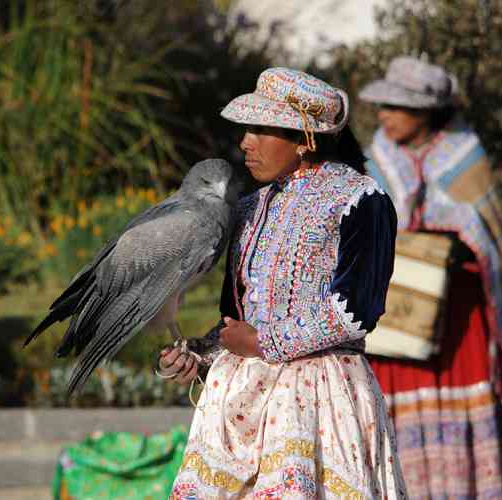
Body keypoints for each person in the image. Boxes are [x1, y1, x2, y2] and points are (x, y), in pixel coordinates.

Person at [157, 67, 407, 499]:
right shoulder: (248, 208)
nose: (245, 143)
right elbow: (237, 317)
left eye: (260, 129)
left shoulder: (361, 200)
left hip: (319, 400)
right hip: (239, 400)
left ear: (304, 139)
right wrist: (199, 355)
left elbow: (354, 312)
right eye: (246, 129)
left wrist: (263, 344)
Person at [358, 56, 502, 499]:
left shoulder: (464, 157)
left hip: (460, 320)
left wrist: (455, 240)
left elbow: (492, 238)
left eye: (395, 107)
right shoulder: (377, 159)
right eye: (384, 106)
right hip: (398, 320)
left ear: (426, 112)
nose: (384, 116)